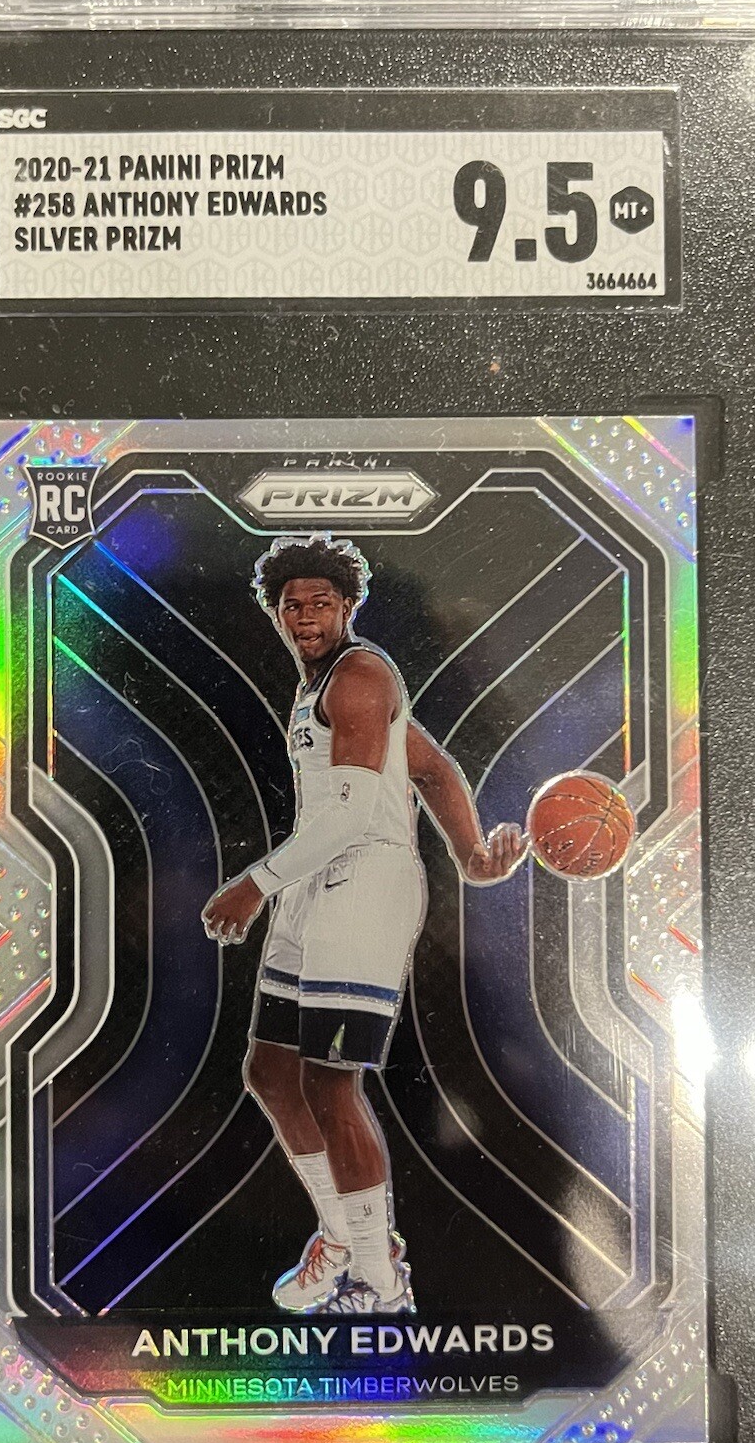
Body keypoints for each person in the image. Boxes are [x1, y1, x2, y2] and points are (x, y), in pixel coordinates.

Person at [202, 536, 526, 1314]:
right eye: (292, 605)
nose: (305, 616)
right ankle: (344, 1238)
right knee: (270, 1072)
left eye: (320, 603)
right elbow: (429, 767)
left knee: (328, 1081)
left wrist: (253, 883)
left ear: (347, 607)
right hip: (316, 880)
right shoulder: (319, 684)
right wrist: (471, 853)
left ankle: (380, 1282)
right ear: (276, 614)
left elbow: (350, 815)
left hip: (366, 882)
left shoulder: (360, 676)